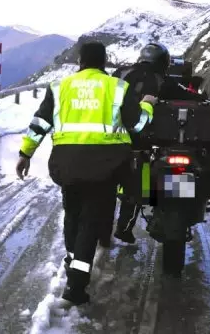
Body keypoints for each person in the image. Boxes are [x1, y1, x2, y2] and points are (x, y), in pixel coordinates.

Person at [15, 41, 157, 305]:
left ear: (80, 61)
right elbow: (138, 125)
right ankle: (76, 285)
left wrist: (25, 154)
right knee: (91, 220)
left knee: (72, 212)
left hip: (66, 162)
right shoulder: (117, 87)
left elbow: (39, 123)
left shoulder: (60, 87)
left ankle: (73, 259)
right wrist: (148, 105)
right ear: (104, 62)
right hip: (105, 165)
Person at [109, 42, 171, 245]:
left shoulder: (120, 72)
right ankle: (124, 229)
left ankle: (102, 228)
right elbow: (183, 95)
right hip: (141, 142)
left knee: (106, 185)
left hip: (112, 138)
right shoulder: (162, 80)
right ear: (163, 62)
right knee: (136, 189)